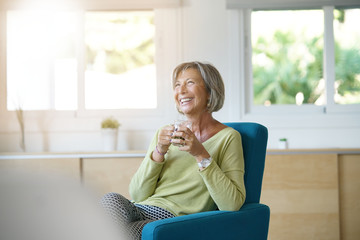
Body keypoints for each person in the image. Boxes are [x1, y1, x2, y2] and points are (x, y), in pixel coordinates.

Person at [101, 61, 246, 239]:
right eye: (177, 85)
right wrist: (159, 151)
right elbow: (137, 194)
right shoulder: (164, 133)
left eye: (190, 83)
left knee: (125, 232)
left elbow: (232, 204)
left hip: (173, 219)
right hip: (141, 208)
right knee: (110, 201)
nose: (181, 91)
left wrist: (200, 153)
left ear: (210, 91)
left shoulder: (228, 137)